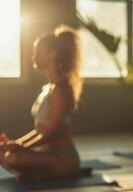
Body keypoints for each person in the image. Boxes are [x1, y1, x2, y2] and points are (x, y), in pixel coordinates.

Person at [0, 25, 83, 181]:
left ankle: (40, 173)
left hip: (63, 160)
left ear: (52, 54)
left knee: (13, 158)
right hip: (46, 156)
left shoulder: (62, 89)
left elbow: (52, 132)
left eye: (38, 52)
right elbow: (41, 130)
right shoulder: (49, 88)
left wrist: (20, 147)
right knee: (3, 152)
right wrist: (14, 143)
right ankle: (36, 173)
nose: (33, 56)